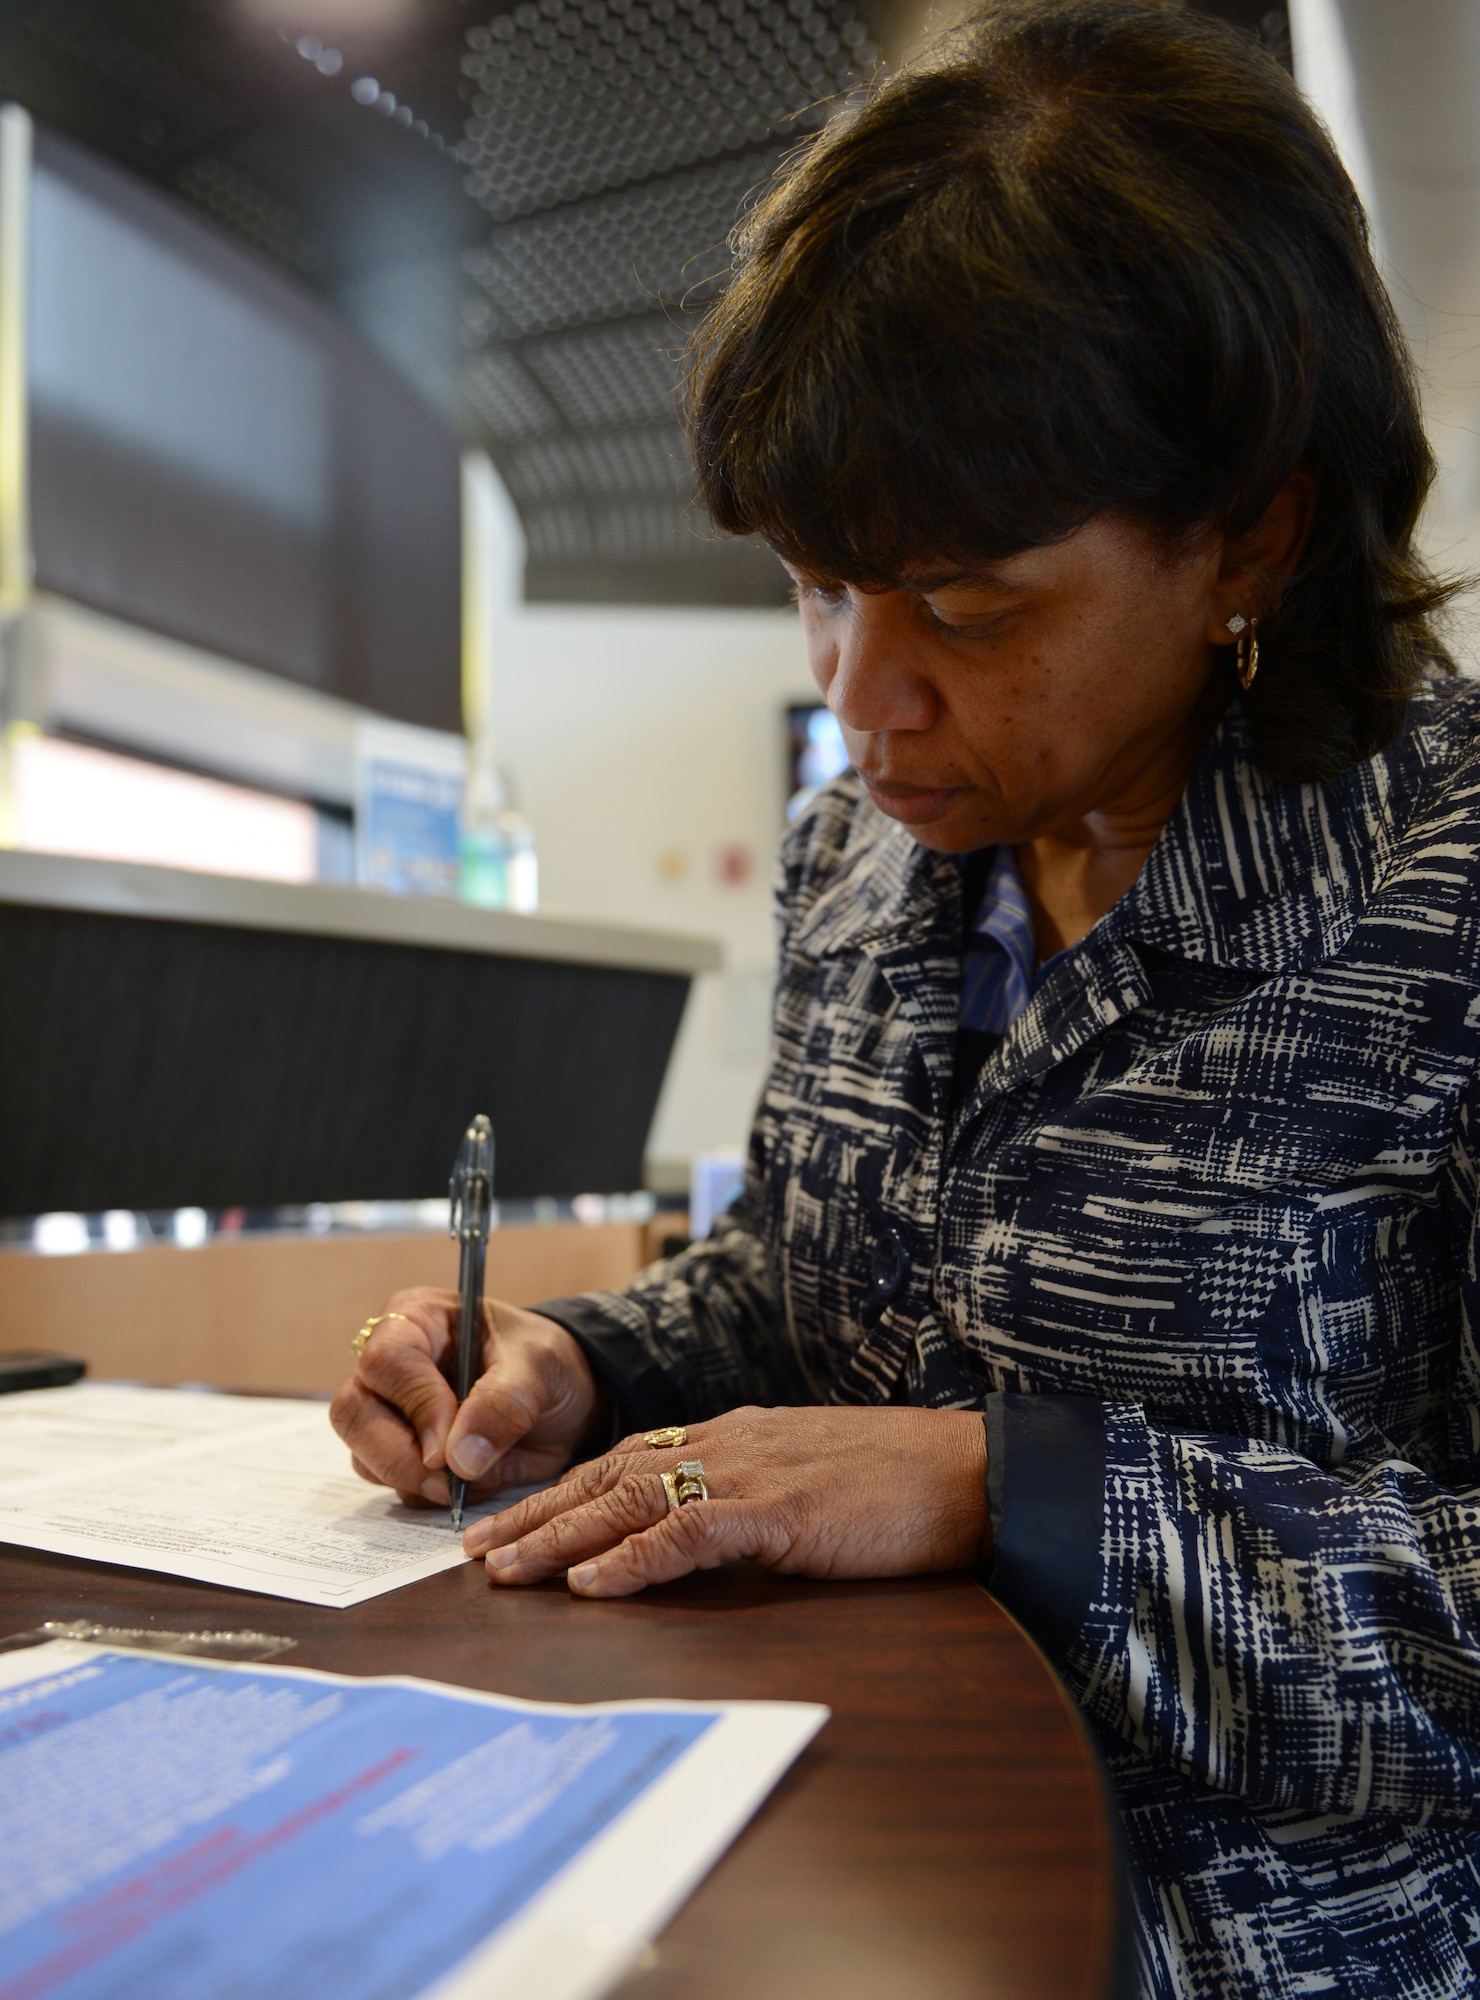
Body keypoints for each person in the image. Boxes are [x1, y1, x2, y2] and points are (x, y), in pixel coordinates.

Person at [330, 3, 1480, 1992]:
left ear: (1248, 536)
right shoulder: (867, 850)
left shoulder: (1434, 887)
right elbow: (795, 1287)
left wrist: (1008, 1485)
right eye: (812, 584)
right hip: (808, 1847)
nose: (856, 696)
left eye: (960, 609)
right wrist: (576, 1360)